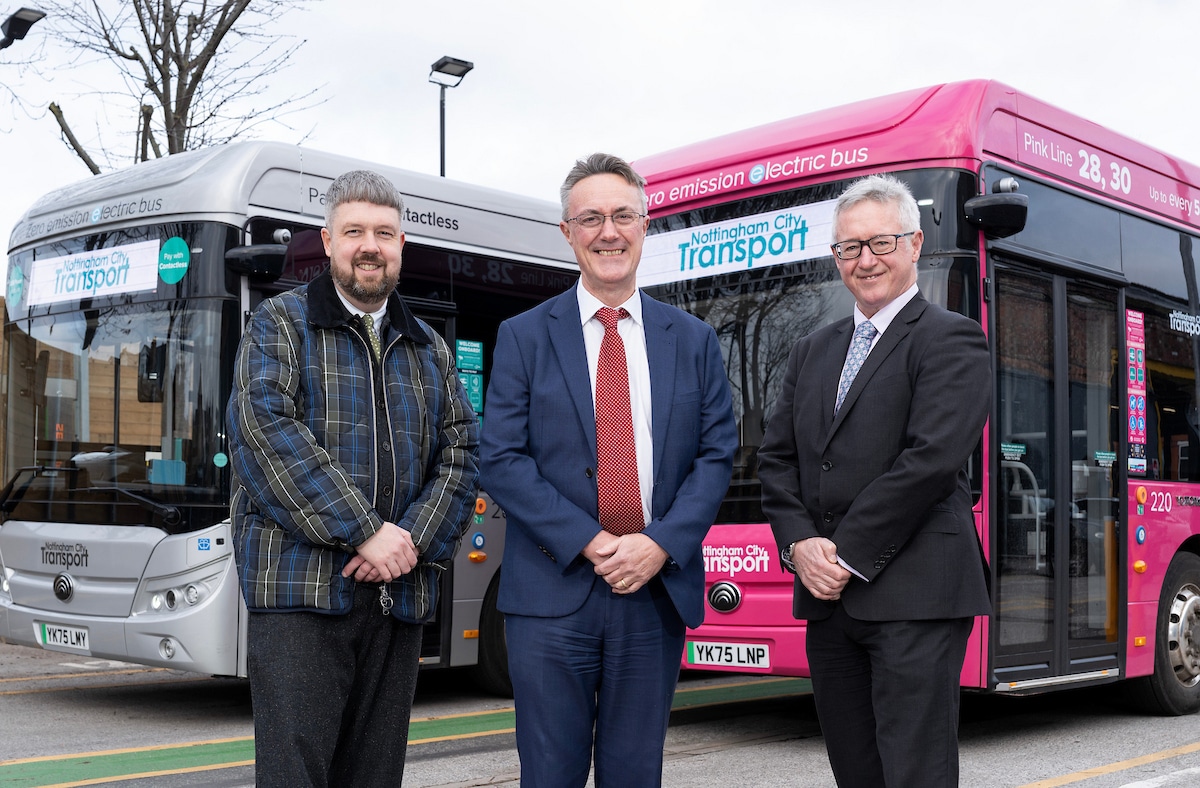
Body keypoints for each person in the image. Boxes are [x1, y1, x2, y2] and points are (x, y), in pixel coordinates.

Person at [480, 152, 737, 787]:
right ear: (567, 233)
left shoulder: (694, 340)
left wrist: (660, 544)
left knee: (634, 774)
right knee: (550, 774)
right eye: (590, 218)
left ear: (645, 226)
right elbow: (502, 459)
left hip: (654, 593)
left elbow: (715, 456)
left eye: (623, 215)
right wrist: (592, 542)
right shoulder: (523, 336)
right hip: (552, 593)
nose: (609, 232)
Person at [227, 169, 480, 787]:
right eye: (355, 232)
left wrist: (407, 543)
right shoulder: (278, 324)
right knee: (295, 775)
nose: (371, 246)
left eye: (385, 233)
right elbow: (265, 437)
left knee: (375, 776)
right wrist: (366, 532)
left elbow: (463, 453)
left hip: (399, 598)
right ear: (328, 241)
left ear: (401, 246)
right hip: (300, 596)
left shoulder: (428, 347)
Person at [758, 173, 991, 787]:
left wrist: (843, 554)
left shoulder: (952, 338)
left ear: (914, 245)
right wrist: (800, 545)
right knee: (855, 771)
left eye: (880, 243)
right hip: (828, 603)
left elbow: (930, 461)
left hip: (916, 595)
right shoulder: (810, 350)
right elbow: (776, 460)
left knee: (914, 773)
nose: (865, 260)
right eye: (849, 247)